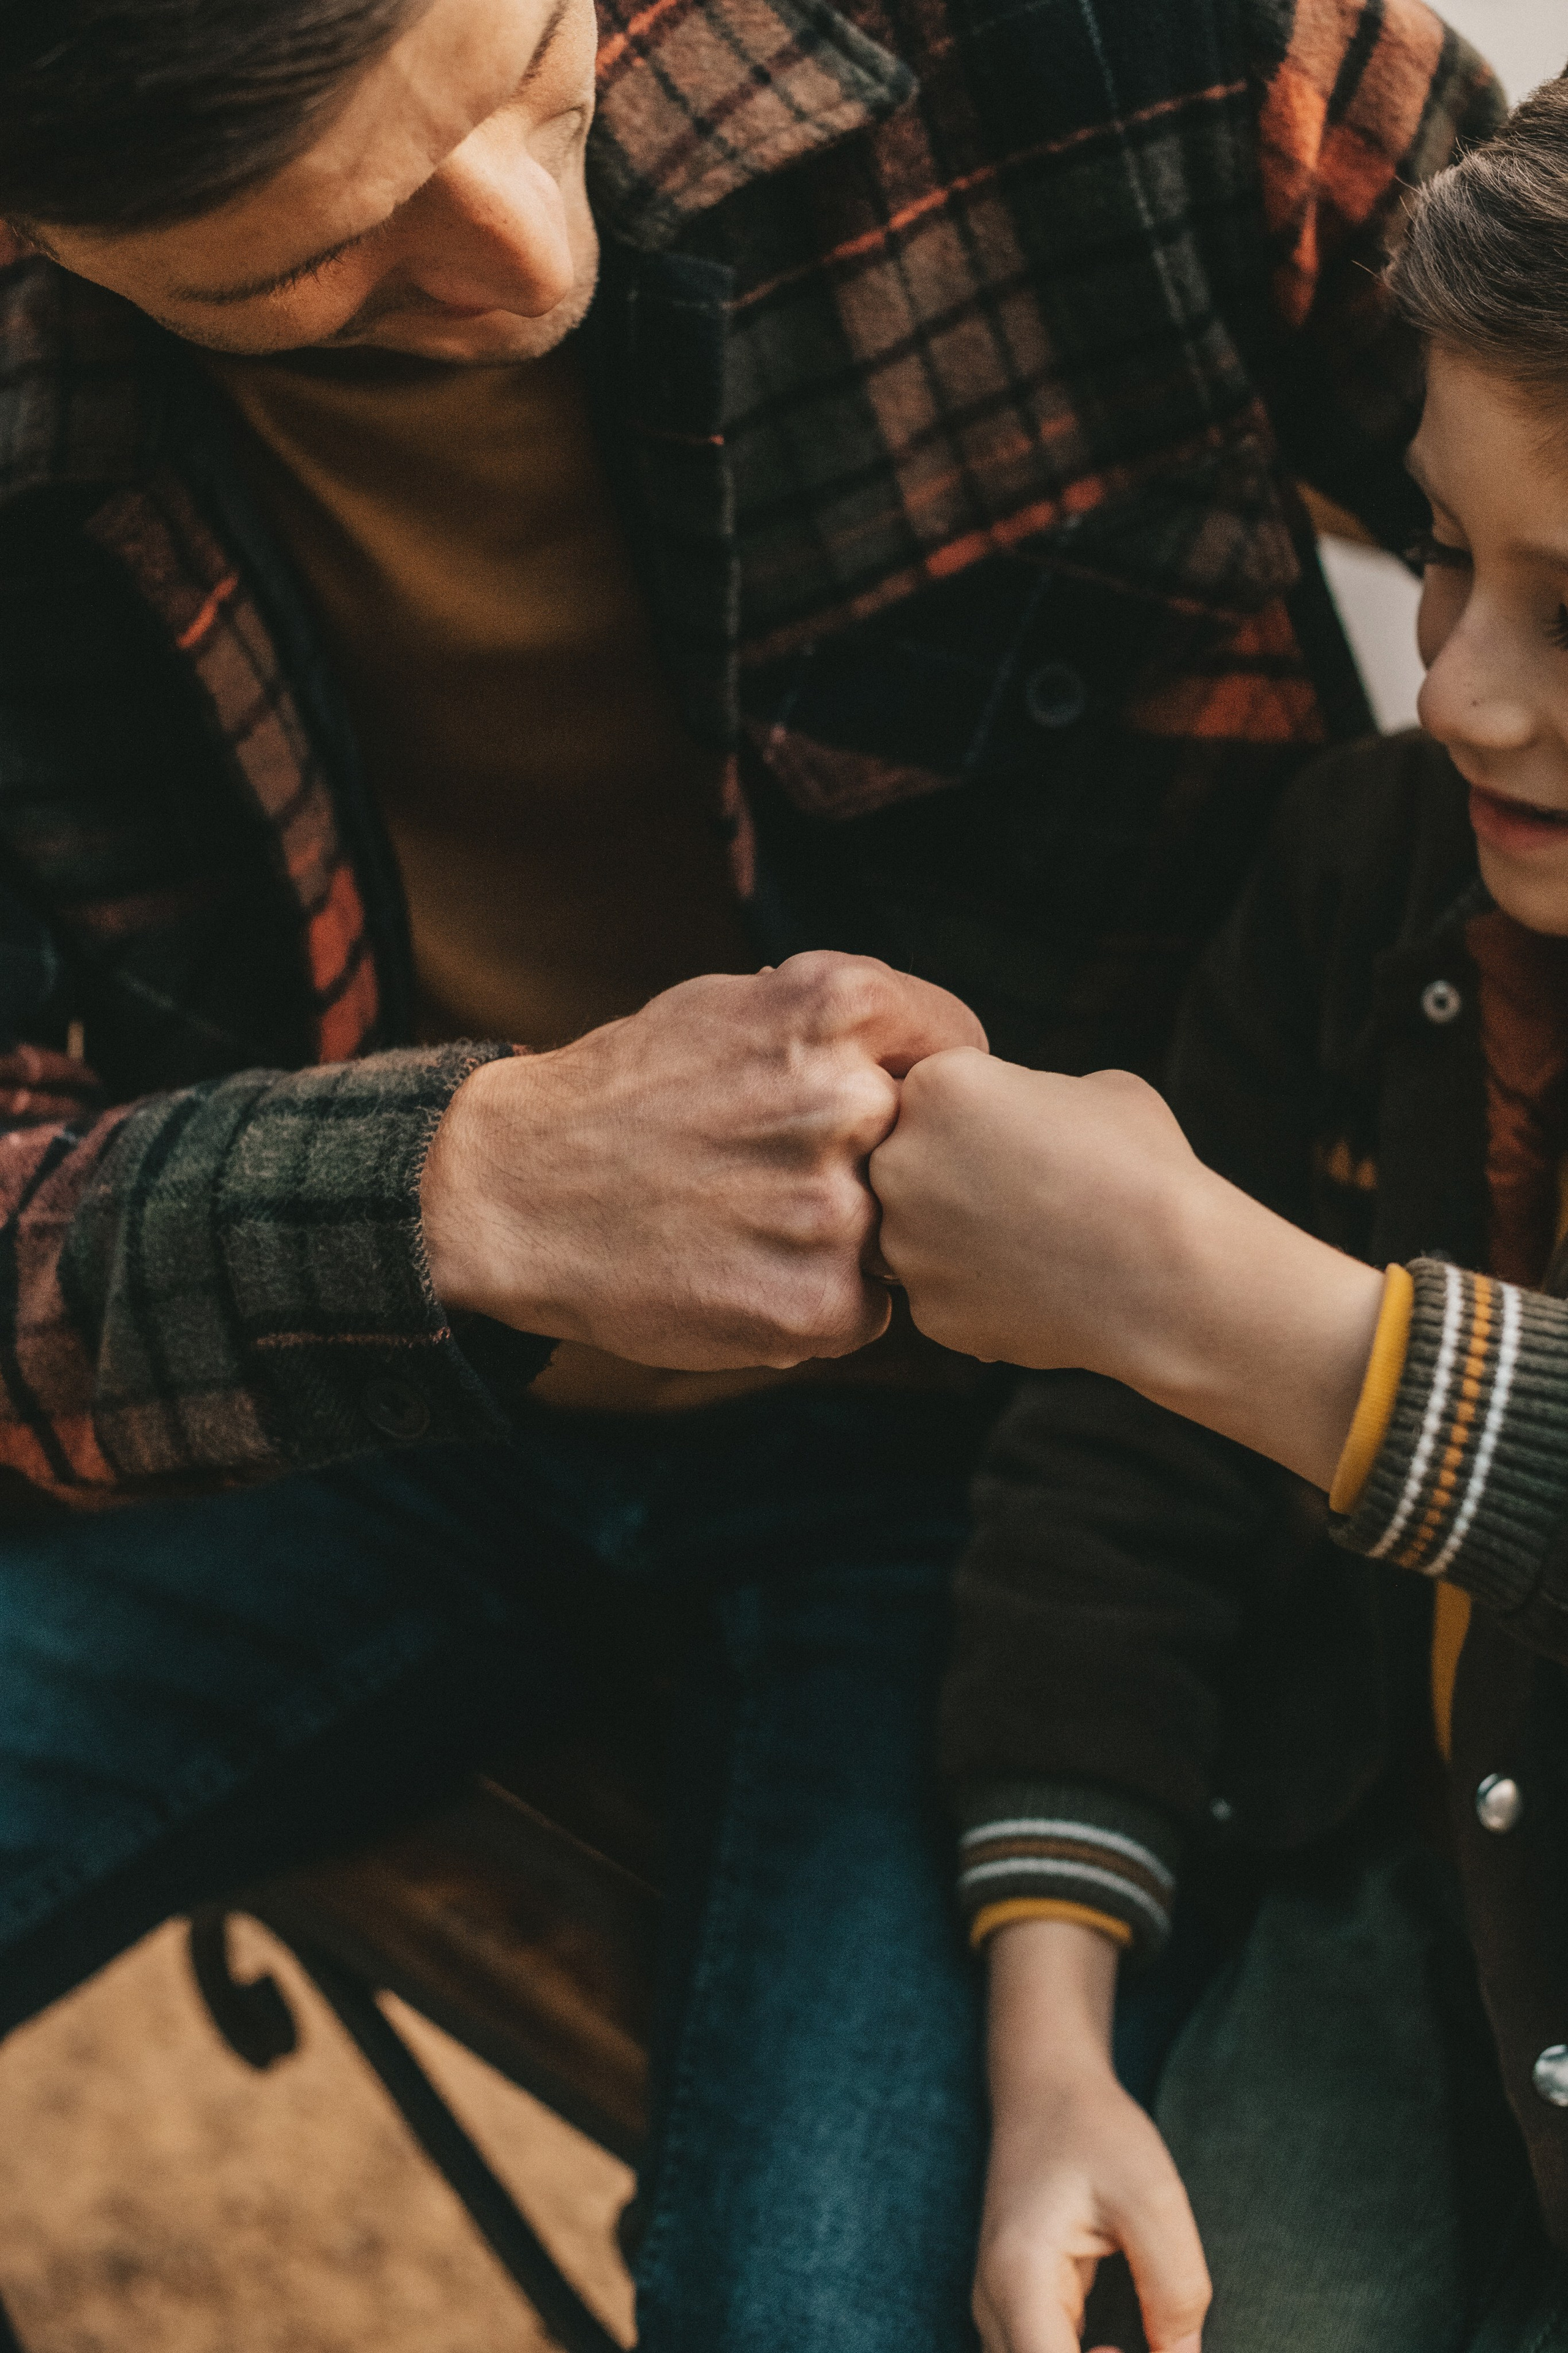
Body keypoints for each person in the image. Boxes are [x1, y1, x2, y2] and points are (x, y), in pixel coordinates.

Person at [0, 0, 1498, 2342]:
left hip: (1019, 1482)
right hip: (294, 1416)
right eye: (316, 264)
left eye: (517, 71)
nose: (518, 254)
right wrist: (455, 1191)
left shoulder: (1158, 40)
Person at [873, 67, 1568, 2353]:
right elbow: (1117, 1495)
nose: (1457, 690)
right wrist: (1056, 2055)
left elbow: (1200, 1350)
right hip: (1392, 1899)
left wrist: (1222, 1304)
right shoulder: (1369, 875)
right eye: (1444, 552)